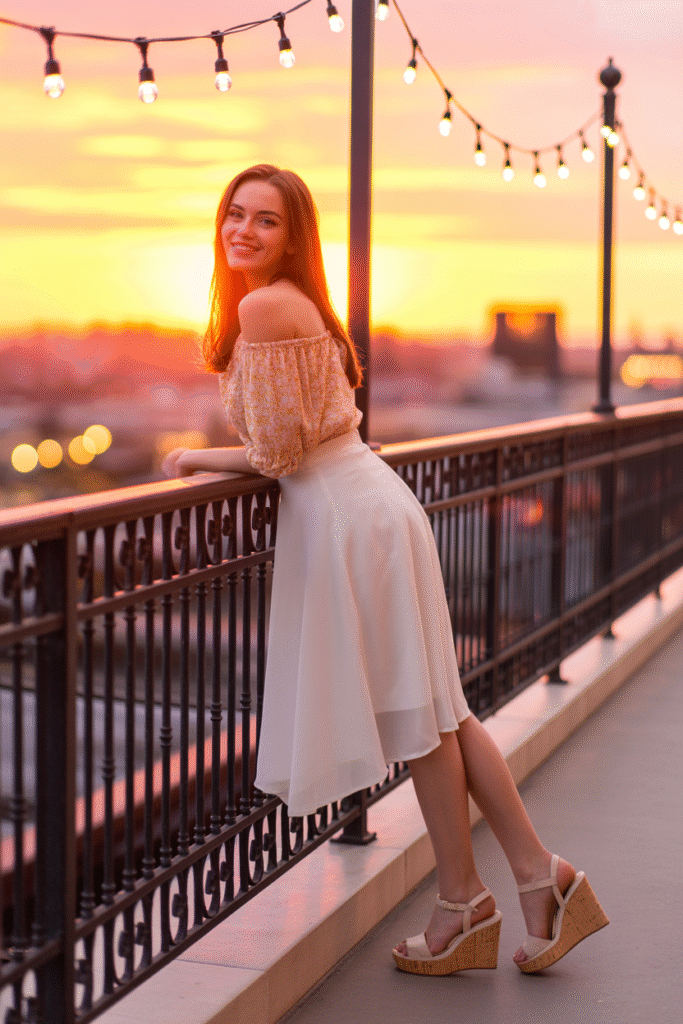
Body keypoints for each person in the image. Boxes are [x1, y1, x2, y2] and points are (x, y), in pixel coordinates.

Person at [163, 164, 608, 976]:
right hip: (366, 508)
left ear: (292, 238)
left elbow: (277, 453)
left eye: (265, 220)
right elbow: (314, 435)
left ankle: (478, 898)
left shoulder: (265, 307)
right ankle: (523, 882)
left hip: (349, 519)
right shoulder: (294, 304)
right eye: (235, 213)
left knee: (425, 717)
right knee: (438, 714)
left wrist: (196, 457)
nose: (243, 231)